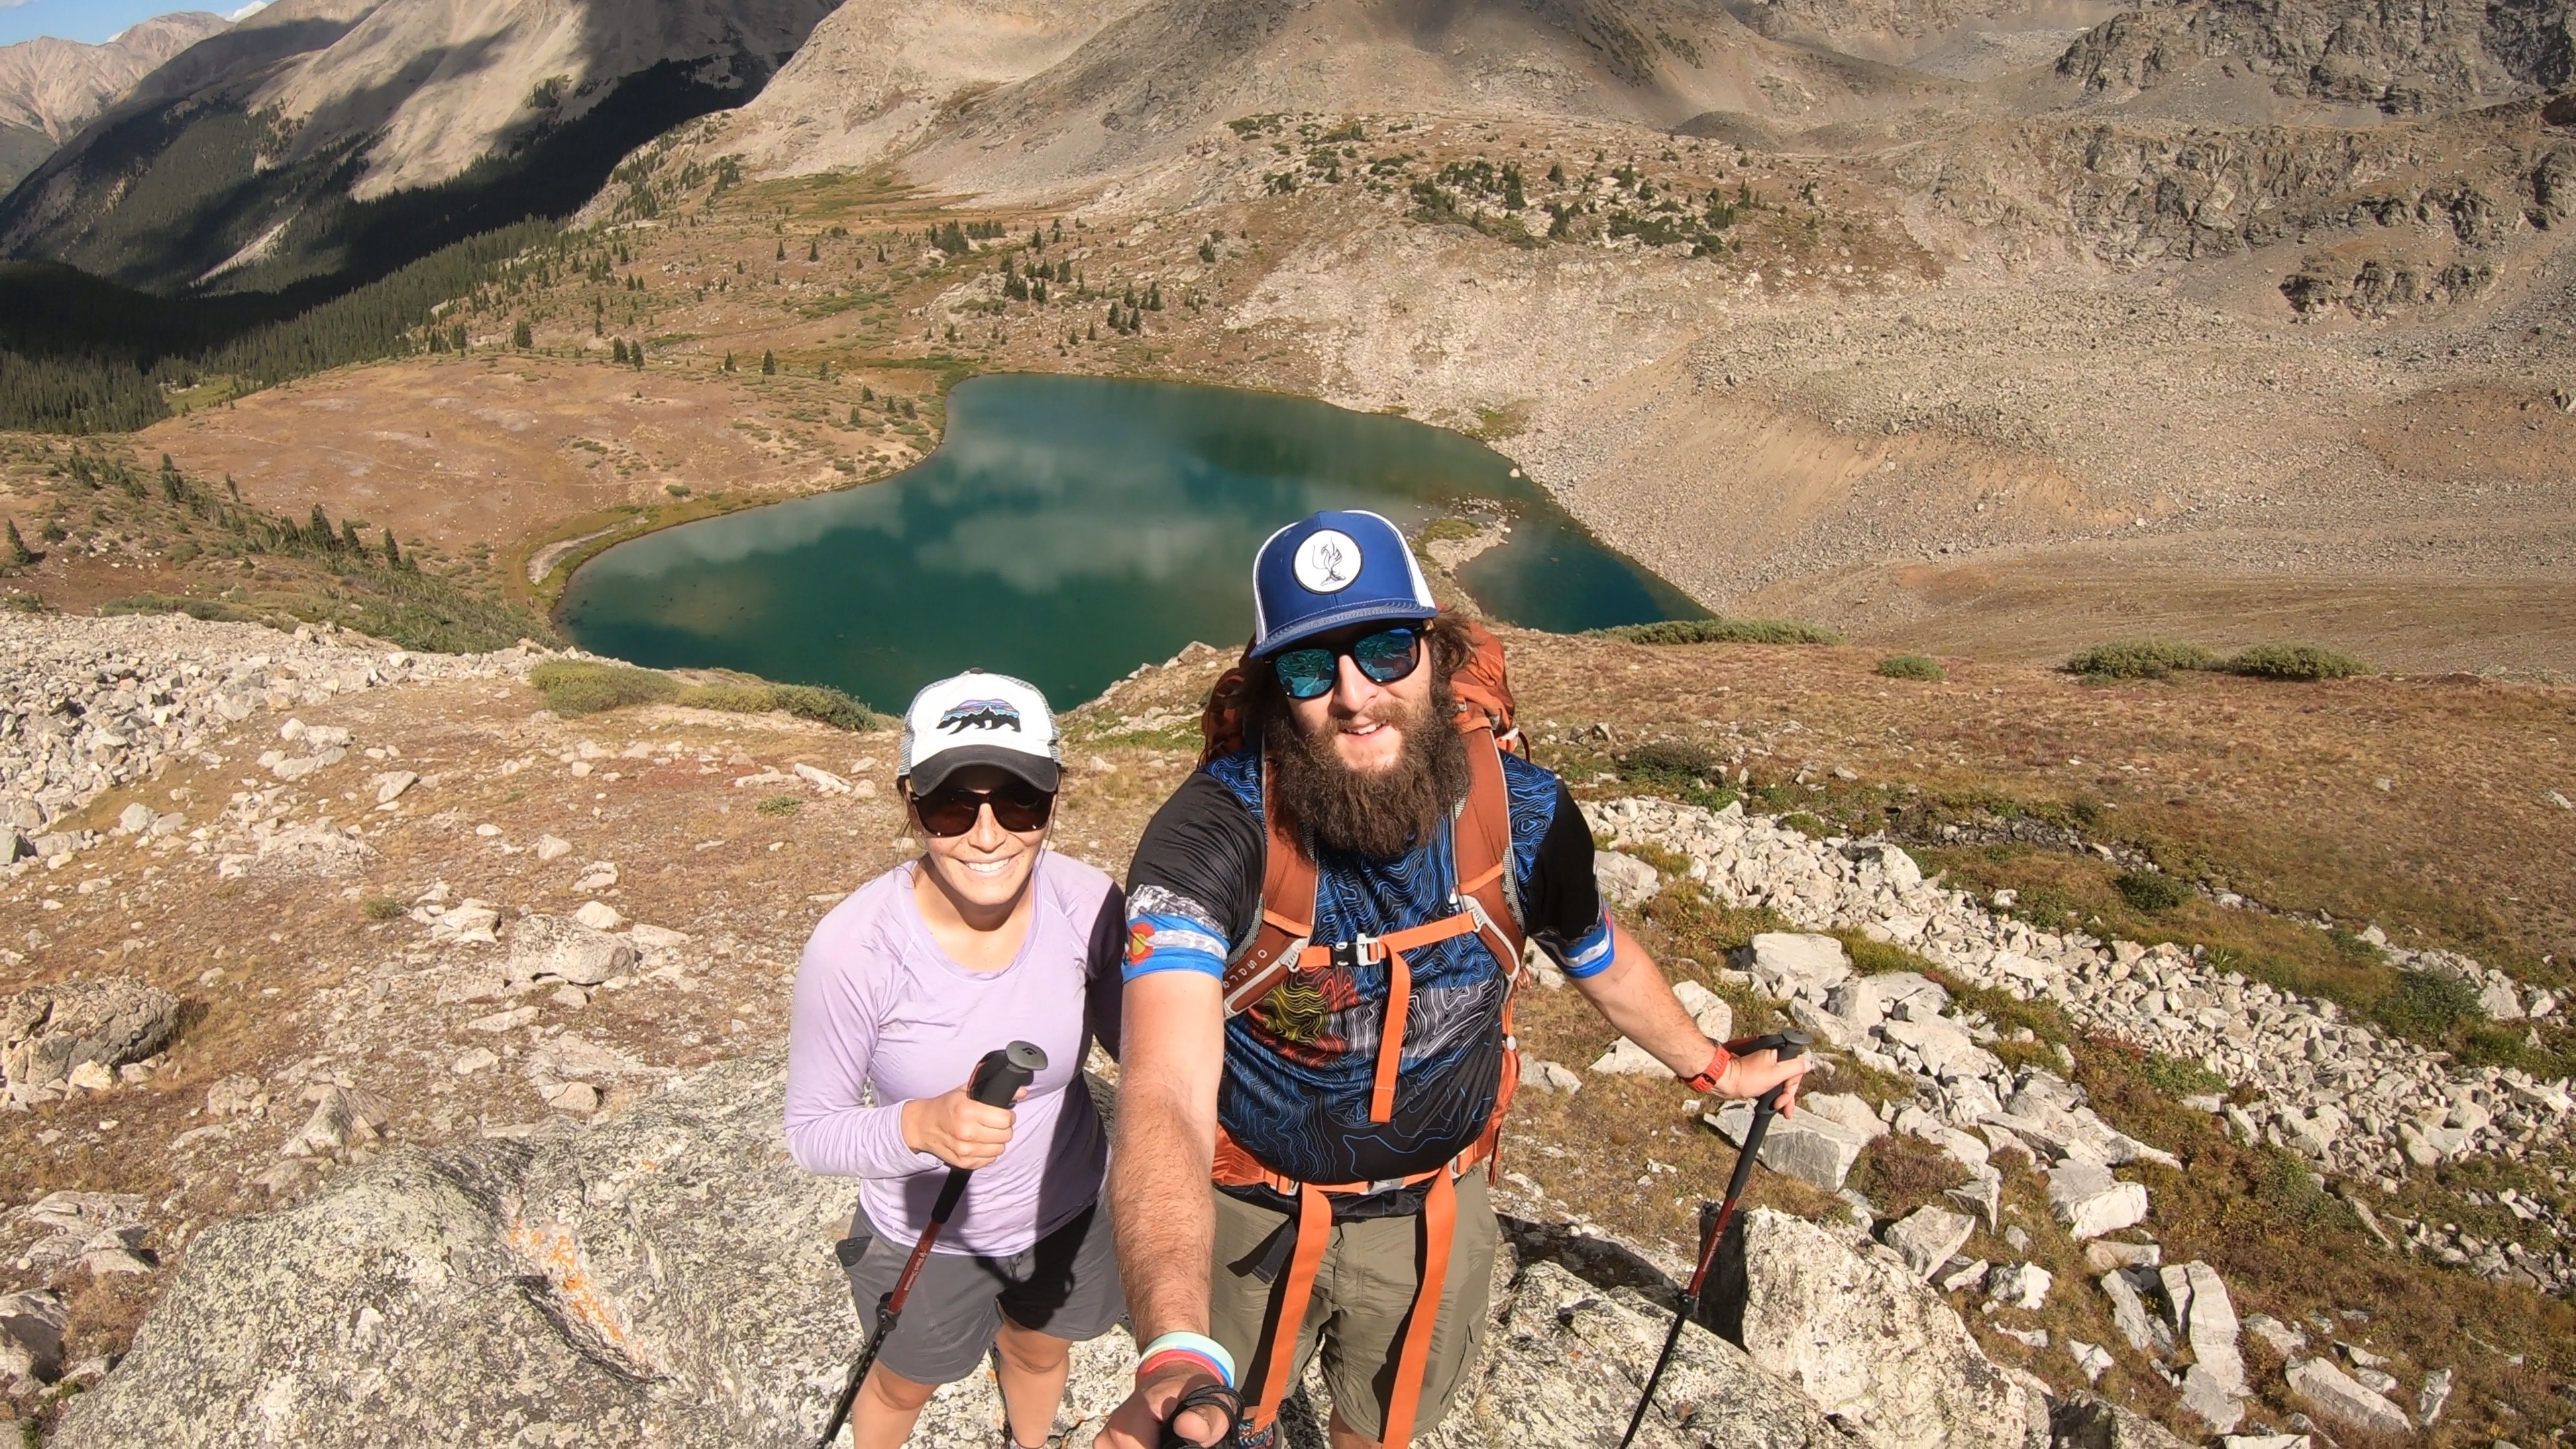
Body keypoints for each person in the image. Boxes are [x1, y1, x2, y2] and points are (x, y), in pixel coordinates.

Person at [1098, 510, 1813, 1449]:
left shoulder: (1526, 816)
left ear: (1435, 653)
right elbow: (1165, 1089)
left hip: (1434, 1210)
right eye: (1312, 669)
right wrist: (1173, 1348)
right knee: (1226, 1424)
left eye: (1386, 650)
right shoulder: (1213, 833)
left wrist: (1718, 1070)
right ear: (1276, 695)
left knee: (1379, 1428)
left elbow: (1594, 951)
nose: (1355, 695)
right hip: (1250, 1217)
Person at [786, 669, 1128, 1449]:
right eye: (951, 805)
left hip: (1066, 1210)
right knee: (905, 1383)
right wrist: (918, 1126)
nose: (986, 834)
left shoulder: (1088, 903)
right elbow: (811, 1130)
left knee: (1041, 1349)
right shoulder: (855, 947)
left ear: (1053, 799)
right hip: (925, 1238)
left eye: (1019, 801)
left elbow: (1138, 1050)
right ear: (910, 804)